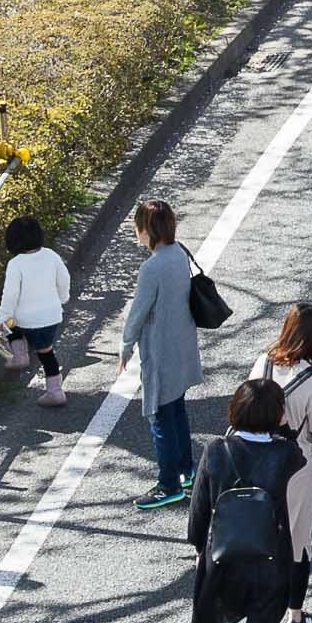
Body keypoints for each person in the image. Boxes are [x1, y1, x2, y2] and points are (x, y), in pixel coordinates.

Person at [187, 377, 308, 623]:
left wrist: (200, 546)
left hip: (223, 559)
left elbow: (199, 509)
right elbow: (297, 451)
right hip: (270, 558)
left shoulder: (215, 451)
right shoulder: (285, 455)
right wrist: (282, 426)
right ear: (277, 415)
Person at [251, 304, 312, 623]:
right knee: (297, 542)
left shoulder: (262, 363)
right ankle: (295, 617)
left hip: (254, 460)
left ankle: (259, 610)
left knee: (261, 537)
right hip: (294, 469)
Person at [124, 196, 205, 511]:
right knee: (177, 412)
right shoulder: (178, 254)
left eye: (138, 227)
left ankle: (168, 483)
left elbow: (138, 312)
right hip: (182, 346)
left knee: (159, 417)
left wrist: (125, 345)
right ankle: (186, 471)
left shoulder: (151, 267)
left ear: (147, 230)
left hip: (160, 351)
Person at [0, 213, 75, 408]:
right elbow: (64, 279)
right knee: (46, 353)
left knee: (10, 325)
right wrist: (62, 298)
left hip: (25, 320)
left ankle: (19, 354)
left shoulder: (16, 264)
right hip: (51, 317)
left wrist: (3, 316)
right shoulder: (51, 255)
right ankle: (55, 391)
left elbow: (10, 294)